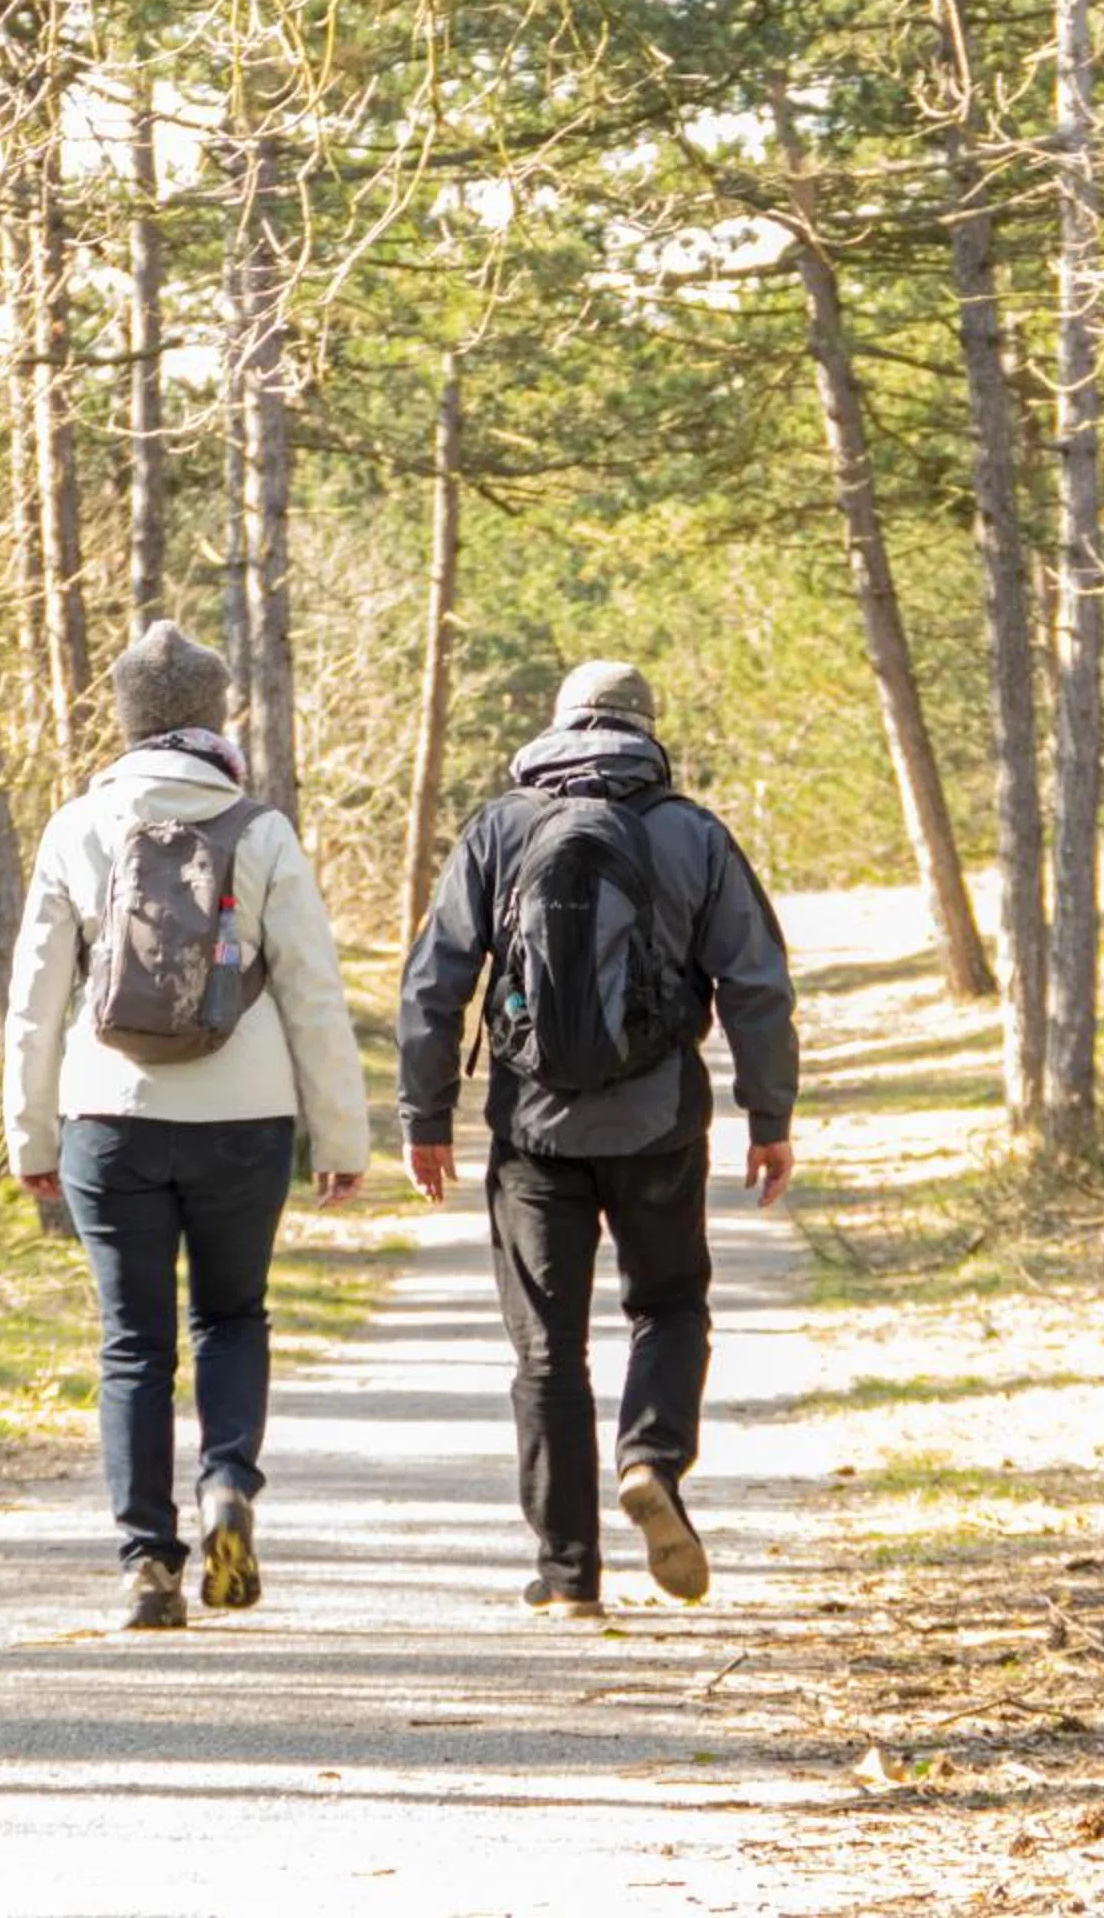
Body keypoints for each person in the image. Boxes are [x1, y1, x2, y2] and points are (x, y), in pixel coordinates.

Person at [396, 660, 796, 1617]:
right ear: (646, 730)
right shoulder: (692, 832)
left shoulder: (500, 828)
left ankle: (570, 1575)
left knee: (547, 1350)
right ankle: (650, 1457)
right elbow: (756, 982)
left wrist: (424, 1116)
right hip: (659, 1123)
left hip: (533, 1131)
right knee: (670, 1306)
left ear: (558, 726)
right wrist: (769, 1116)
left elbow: (434, 983)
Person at [4, 620, 369, 1631]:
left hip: (109, 1116)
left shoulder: (79, 826)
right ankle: (227, 1486)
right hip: (245, 1117)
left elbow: (35, 1000)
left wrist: (30, 1134)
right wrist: (341, 1137)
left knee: (133, 1343)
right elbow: (313, 994)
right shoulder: (261, 830)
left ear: (127, 719)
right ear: (213, 717)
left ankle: (146, 1565)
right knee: (232, 1317)